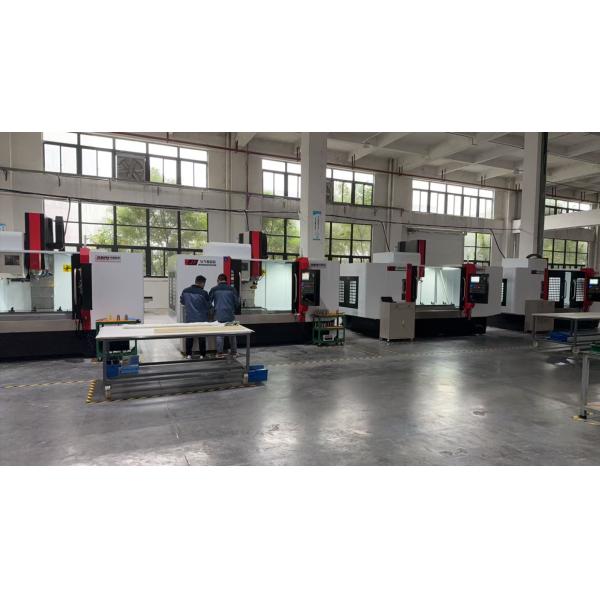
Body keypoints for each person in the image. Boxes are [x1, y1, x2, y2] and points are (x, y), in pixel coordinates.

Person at [209, 273, 241, 357]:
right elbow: (237, 302)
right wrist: (232, 309)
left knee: (220, 335)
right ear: (226, 280)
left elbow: (208, 302)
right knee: (232, 334)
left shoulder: (214, 289)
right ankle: (234, 352)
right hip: (230, 315)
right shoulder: (232, 289)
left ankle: (219, 353)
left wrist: (213, 310)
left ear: (218, 280)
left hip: (218, 315)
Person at [179, 275, 210, 359]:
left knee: (189, 336)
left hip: (189, 318)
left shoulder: (185, 291)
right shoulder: (204, 293)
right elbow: (208, 306)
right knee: (202, 337)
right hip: (201, 319)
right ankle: (202, 355)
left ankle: (188, 354)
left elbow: (182, 301)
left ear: (196, 281)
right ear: (202, 283)